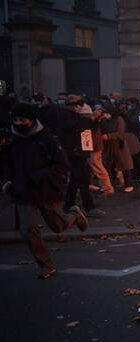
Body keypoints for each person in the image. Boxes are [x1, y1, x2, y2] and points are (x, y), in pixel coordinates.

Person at [0, 103, 88, 279]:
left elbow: (62, 165)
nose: (18, 123)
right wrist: (7, 182)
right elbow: (6, 164)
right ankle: (45, 264)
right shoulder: (12, 140)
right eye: (16, 120)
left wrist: (43, 177)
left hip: (46, 190)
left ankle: (74, 215)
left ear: (31, 120)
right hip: (23, 191)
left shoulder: (47, 139)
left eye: (22, 120)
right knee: (27, 228)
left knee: (58, 226)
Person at [59, 95, 98, 213]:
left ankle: (69, 204)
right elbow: (75, 127)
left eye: (79, 105)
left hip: (80, 150)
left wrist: (94, 120)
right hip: (74, 151)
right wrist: (87, 119)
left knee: (75, 180)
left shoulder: (77, 117)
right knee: (82, 179)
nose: (78, 108)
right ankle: (88, 206)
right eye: (75, 105)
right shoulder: (65, 116)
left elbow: (91, 129)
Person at [99, 103, 134, 193]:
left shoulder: (119, 119)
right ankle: (109, 184)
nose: (105, 115)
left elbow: (120, 133)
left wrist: (109, 136)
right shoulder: (103, 120)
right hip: (108, 145)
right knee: (107, 165)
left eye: (106, 113)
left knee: (124, 165)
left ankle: (129, 184)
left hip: (119, 144)